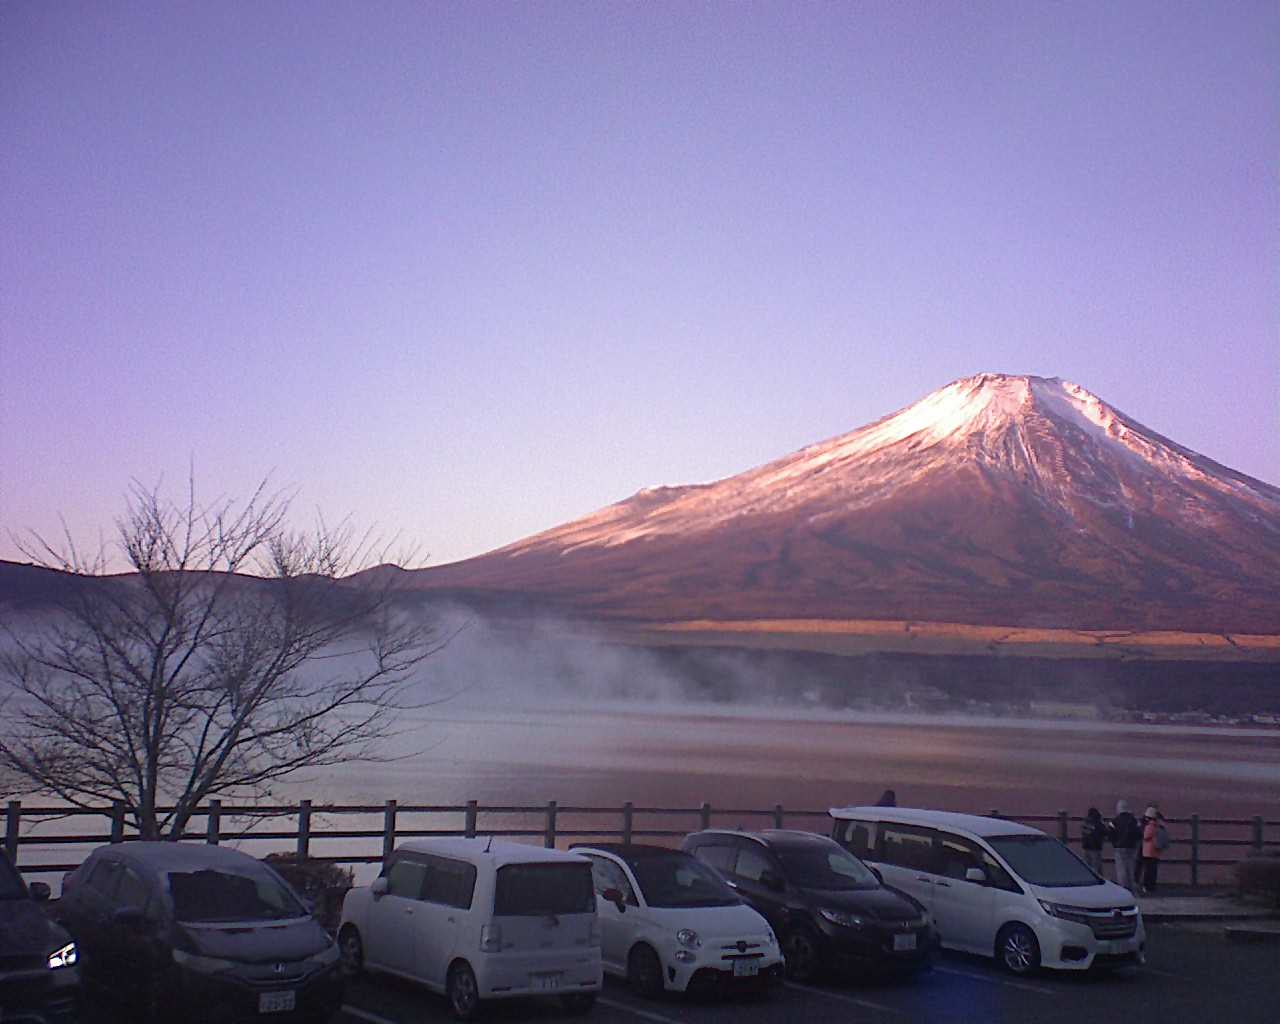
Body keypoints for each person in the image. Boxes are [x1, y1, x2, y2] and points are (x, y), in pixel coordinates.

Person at [1108, 799, 1141, 894]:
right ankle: (1132, 889)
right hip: (1131, 847)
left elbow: (1110, 833)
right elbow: (1139, 833)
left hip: (1119, 847)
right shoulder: (1134, 820)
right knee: (1131, 868)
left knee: (1121, 869)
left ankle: (1123, 889)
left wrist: (1114, 843)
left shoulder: (1115, 821)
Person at [1140, 806, 1166, 895]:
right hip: (1156, 851)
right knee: (1153, 870)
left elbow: (1146, 836)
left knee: (1148, 871)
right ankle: (1152, 886)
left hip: (1148, 852)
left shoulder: (1150, 826)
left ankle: (1147, 886)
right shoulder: (1160, 825)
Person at [1081, 807, 1106, 876]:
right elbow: (1104, 831)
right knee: (1096, 869)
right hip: (1095, 847)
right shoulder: (1098, 822)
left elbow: (1083, 833)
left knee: (1087, 868)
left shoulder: (1085, 822)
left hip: (1085, 847)